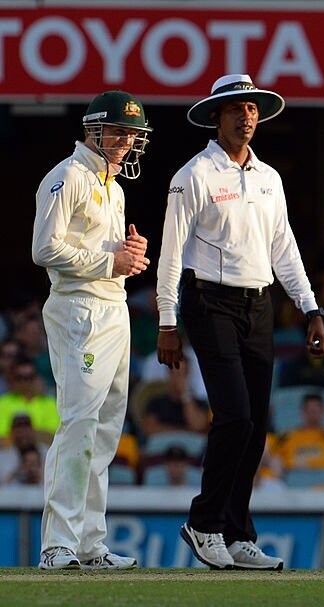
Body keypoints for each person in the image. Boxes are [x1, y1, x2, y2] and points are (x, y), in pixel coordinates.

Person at [155, 74, 324, 571]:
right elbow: (170, 254)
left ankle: (235, 532)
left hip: (259, 306)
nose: (246, 116)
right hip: (208, 301)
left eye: (252, 108)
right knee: (234, 417)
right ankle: (204, 523)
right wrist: (168, 320)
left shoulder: (269, 177)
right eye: (236, 109)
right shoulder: (194, 175)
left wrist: (311, 308)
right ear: (216, 115)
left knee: (255, 426)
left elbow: (284, 248)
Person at [30, 90, 152, 571]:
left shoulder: (113, 186)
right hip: (78, 311)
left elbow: (106, 255)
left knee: (104, 431)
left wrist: (128, 253)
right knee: (78, 423)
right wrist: (109, 259)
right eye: (119, 131)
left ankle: (89, 543)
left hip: (114, 309)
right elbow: (45, 249)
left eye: (132, 134)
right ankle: (57, 544)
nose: (126, 141)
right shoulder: (67, 176)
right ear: (93, 130)